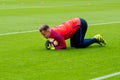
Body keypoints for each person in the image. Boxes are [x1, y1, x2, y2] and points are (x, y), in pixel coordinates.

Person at [39, 18, 106, 50]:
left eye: (44, 34)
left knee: (79, 45)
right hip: (75, 25)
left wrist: (54, 48)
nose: (44, 36)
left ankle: (96, 38)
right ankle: (94, 39)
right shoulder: (52, 32)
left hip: (80, 24)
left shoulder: (56, 34)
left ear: (48, 30)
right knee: (73, 45)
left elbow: (64, 46)